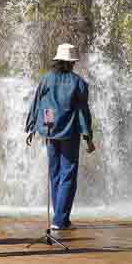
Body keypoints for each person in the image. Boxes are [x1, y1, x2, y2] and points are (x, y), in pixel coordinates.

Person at [25, 43, 95, 235]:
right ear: (72, 62)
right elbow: (82, 112)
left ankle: (61, 217)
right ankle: (60, 220)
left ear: (57, 60)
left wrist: (31, 127)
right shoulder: (78, 82)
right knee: (68, 175)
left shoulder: (46, 79)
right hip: (70, 132)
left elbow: (38, 103)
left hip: (50, 130)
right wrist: (88, 136)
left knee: (55, 173)